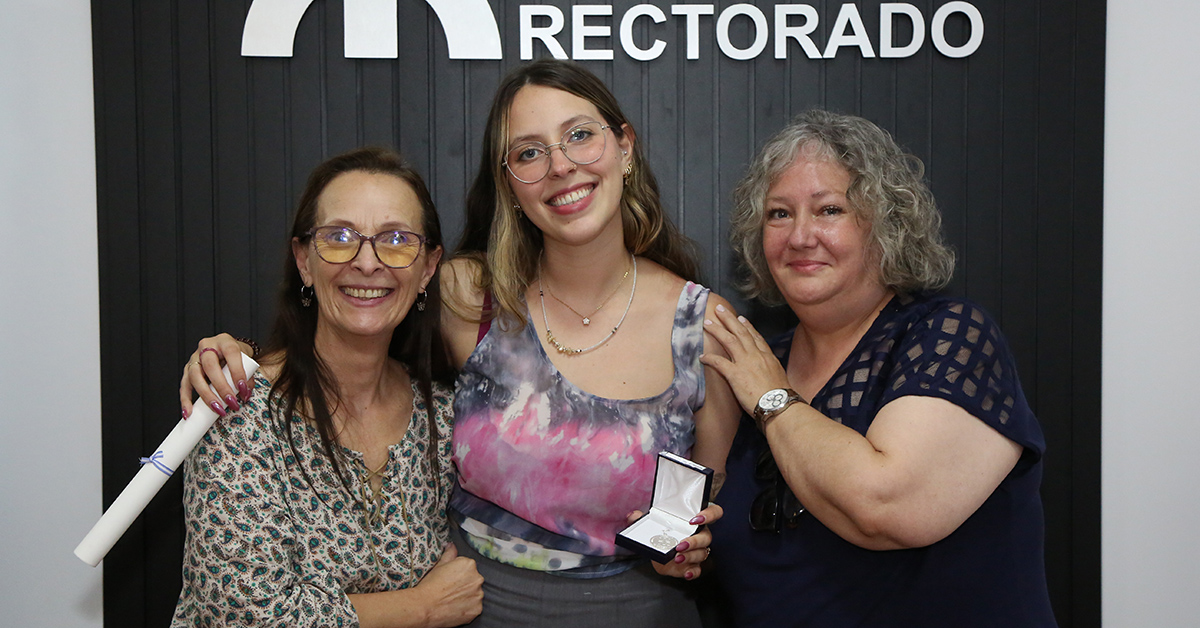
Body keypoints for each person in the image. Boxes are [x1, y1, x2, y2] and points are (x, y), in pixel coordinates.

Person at [180, 60, 738, 627]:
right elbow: (352, 320)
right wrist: (232, 357)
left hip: (637, 611)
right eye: (529, 152)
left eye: (579, 135)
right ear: (509, 183)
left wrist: (687, 546)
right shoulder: (469, 296)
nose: (560, 165)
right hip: (474, 607)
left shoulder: (704, 327)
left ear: (624, 146)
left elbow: (700, 512)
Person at [700, 110, 1057, 626]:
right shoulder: (757, 364)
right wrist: (689, 548)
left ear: (886, 225)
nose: (799, 236)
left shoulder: (949, 336)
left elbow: (886, 509)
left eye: (828, 210)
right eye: (779, 214)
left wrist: (773, 399)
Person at [171, 147, 484, 627]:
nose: (367, 262)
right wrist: (424, 607)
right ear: (303, 260)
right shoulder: (238, 411)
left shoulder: (442, 413)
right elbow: (244, 616)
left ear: (427, 267)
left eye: (396, 239)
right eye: (339, 237)